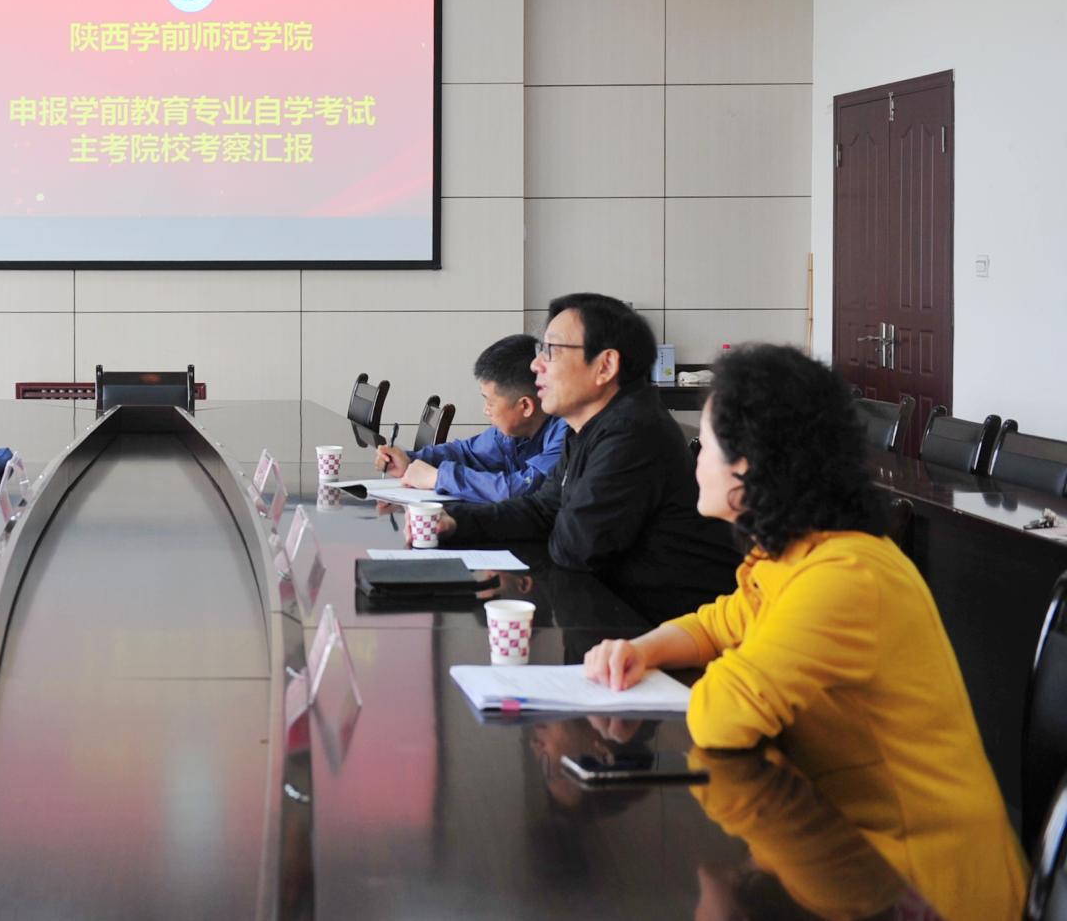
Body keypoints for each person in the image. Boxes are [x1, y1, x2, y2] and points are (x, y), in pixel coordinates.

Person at [583, 344, 1026, 921]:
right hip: (850, 861)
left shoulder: (844, 576)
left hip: (919, 885)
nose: (696, 458)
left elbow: (719, 717)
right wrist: (641, 649)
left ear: (748, 466)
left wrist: (719, 664)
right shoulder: (794, 554)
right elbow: (717, 622)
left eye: (706, 445)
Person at [435, 293, 738, 624]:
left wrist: (549, 518)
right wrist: (455, 520)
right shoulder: (589, 426)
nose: (536, 365)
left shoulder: (632, 432)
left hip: (671, 631)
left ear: (605, 366)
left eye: (551, 350)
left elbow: (575, 548)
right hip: (619, 620)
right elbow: (542, 509)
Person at [373, 333, 566, 503]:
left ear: (525, 406)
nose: (485, 410)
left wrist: (438, 478)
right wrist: (410, 460)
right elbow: (466, 452)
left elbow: (520, 489)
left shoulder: (566, 434)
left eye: (490, 402)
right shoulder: (510, 433)